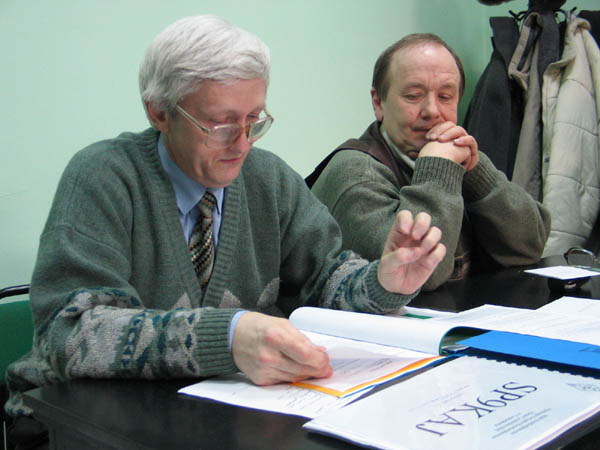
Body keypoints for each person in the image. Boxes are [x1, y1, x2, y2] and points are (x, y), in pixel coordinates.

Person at [4, 16, 445, 447]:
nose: (243, 144)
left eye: (254, 120)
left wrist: (382, 282)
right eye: (221, 125)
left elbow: (323, 276)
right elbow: (69, 334)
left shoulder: (268, 179)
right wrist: (227, 337)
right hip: (71, 422)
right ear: (159, 112)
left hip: (210, 415)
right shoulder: (103, 178)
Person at [308, 33, 551, 291]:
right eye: (413, 96)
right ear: (378, 103)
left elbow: (531, 246)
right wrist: (439, 169)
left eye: (445, 97)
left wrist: (477, 173)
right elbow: (416, 277)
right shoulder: (356, 174)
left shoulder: (453, 154)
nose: (432, 111)